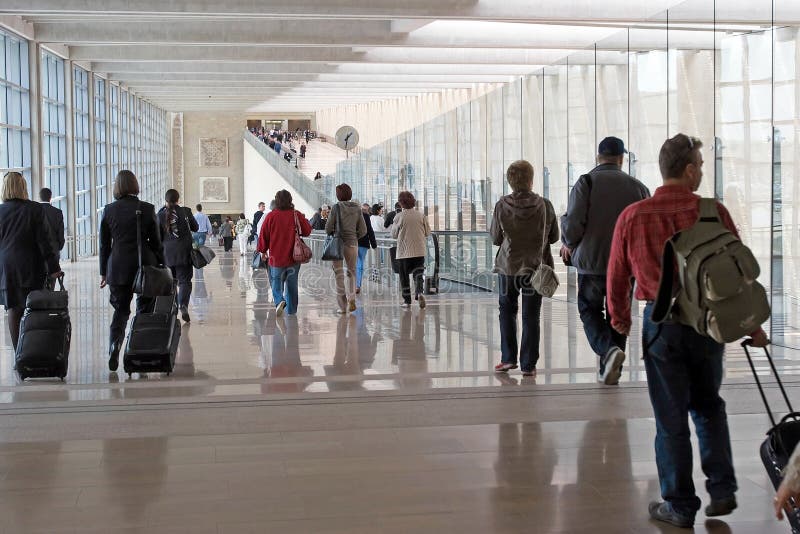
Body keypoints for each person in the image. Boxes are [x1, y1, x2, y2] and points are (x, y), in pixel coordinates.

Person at [607, 134, 769, 528]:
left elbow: (617, 276)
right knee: (709, 405)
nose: (701, 170)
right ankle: (723, 489)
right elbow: (738, 276)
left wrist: (620, 322)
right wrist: (754, 326)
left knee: (670, 417)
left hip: (661, 326)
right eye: (700, 163)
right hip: (708, 326)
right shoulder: (714, 213)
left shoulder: (634, 215)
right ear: (690, 168)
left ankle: (680, 505)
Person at [560, 136, 650, 386]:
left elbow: (572, 226)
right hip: (624, 265)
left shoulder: (586, 182)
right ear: (621, 159)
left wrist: (568, 240)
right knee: (617, 314)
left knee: (589, 309)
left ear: (598, 157)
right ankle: (611, 371)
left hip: (591, 262)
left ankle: (608, 351)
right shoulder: (639, 188)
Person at [489, 160, 558, 378]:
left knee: (506, 312)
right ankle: (528, 364)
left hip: (508, 268)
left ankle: (508, 359)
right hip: (535, 269)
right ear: (531, 180)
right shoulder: (545, 205)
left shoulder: (501, 205)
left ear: (510, 182)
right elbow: (554, 237)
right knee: (531, 316)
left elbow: (495, 237)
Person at [99, 170, 164, 371]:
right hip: (144, 264)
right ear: (135, 185)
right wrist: (162, 264)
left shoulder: (109, 210)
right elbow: (156, 242)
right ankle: (139, 350)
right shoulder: (147, 208)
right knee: (144, 310)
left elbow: (104, 245)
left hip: (118, 266)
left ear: (117, 187)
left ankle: (114, 345)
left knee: (120, 310)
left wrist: (104, 272)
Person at [0, 173, 61, 351]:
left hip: (7, 268)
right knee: (34, 307)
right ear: (23, 187)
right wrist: (54, 268)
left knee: (13, 310)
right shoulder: (34, 209)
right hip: (31, 266)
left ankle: (19, 354)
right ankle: (33, 351)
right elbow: (45, 241)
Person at [257, 190, 312, 316]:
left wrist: (262, 250)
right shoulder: (296, 214)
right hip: (294, 257)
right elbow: (307, 230)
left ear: (276, 201)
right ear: (290, 200)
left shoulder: (271, 216)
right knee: (292, 285)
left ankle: (279, 300)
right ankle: (291, 311)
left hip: (276, 258)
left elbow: (263, 236)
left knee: (276, 282)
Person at [157, 189, 198, 322]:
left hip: (167, 254)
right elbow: (195, 227)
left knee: (170, 283)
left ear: (166, 200)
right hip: (184, 253)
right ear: (178, 199)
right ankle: (183, 305)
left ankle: (172, 309)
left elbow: (157, 236)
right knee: (185, 281)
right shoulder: (185, 211)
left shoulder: (160, 215)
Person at [326, 184, 367, 314]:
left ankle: (343, 307)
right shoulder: (357, 208)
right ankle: (352, 298)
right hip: (352, 243)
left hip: (338, 244)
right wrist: (354, 237)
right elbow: (363, 230)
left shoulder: (336, 207)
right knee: (352, 272)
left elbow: (328, 228)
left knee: (339, 274)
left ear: (338, 195)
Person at [391, 191, 431, 310]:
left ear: (401, 203)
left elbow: (393, 234)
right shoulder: (421, 215)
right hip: (419, 250)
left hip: (404, 252)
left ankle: (407, 301)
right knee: (418, 273)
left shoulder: (399, 216)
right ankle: (419, 292)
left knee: (404, 276)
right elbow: (428, 232)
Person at [356, 203, 377, 294]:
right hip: (363, 243)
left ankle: (354, 284)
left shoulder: (350, 215)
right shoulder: (365, 216)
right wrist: (374, 244)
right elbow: (369, 230)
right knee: (360, 264)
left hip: (351, 243)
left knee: (354, 263)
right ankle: (357, 285)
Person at [38, 187, 65, 256]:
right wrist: (59, 246)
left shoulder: (33, 211)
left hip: (38, 249)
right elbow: (61, 232)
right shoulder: (57, 212)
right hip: (53, 248)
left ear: (40, 197)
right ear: (50, 197)